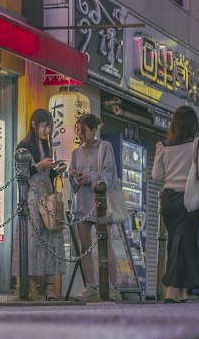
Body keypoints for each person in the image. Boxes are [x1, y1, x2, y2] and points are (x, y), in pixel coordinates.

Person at [152, 105, 199, 301]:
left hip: (168, 200)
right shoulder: (198, 144)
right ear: (193, 125)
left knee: (181, 242)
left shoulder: (162, 146)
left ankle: (183, 291)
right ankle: (170, 290)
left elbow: (156, 175)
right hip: (189, 200)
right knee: (181, 243)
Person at [68, 113, 121, 301]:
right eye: (78, 131)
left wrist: (89, 177)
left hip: (100, 205)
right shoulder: (76, 153)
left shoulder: (105, 147)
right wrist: (74, 177)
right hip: (81, 204)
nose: (80, 135)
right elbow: (72, 185)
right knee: (85, 247)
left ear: (93, 130)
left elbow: (109, 176)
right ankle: (90, 286)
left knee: (105, 244)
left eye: (83, 131)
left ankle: (112, 287)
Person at [14, 109, 65, 301]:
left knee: (52, 239)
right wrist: (40, 166)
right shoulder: (24, 146)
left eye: (50, 126)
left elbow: (47, 175)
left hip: (48, 196)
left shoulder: (47, 145)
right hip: (32, 200)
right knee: (32, 241)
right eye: (44, 125)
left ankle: (50, 288)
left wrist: (56, 170)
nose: (47, 130)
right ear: (34, 125)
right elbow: (21, 174)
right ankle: (28, 287)